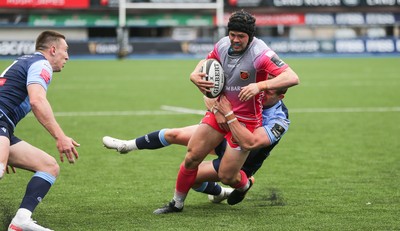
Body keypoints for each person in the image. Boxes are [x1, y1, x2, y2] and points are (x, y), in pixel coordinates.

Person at [150, 10, 299, 214]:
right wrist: (195, 73)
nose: (235, 40)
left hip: (245, 121)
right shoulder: (222, 44)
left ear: (251, 37)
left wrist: (259, 86)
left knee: (228, 176)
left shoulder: (261, 54)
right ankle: (177, 203)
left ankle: (244, 185)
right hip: (220, 110)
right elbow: (208, 61)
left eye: (241, 36)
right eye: (232, 35)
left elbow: (292, 77)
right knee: (192, 156)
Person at [103, 88, 290, 205]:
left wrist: (229, 116)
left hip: (242, 158)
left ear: (280, 96)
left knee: (192, 178)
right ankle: (126, 146)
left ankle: (239, 185)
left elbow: (250, 142)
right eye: (264, 86)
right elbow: (210, 93)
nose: (263, 93)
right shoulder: (249, 89)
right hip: (224, 136)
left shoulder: (280, 119)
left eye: (270, 92)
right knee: (174, 135)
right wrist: (216, 109)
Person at [0, 30, 80, 231]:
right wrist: (60, 136)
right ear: (53, 50)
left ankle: (21, 221)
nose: (67, 56)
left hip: (4, 125)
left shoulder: (27, 61)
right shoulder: (41, 64)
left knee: (48, 166)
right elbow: (37, 101)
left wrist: (4, 142)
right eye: (65, 50)